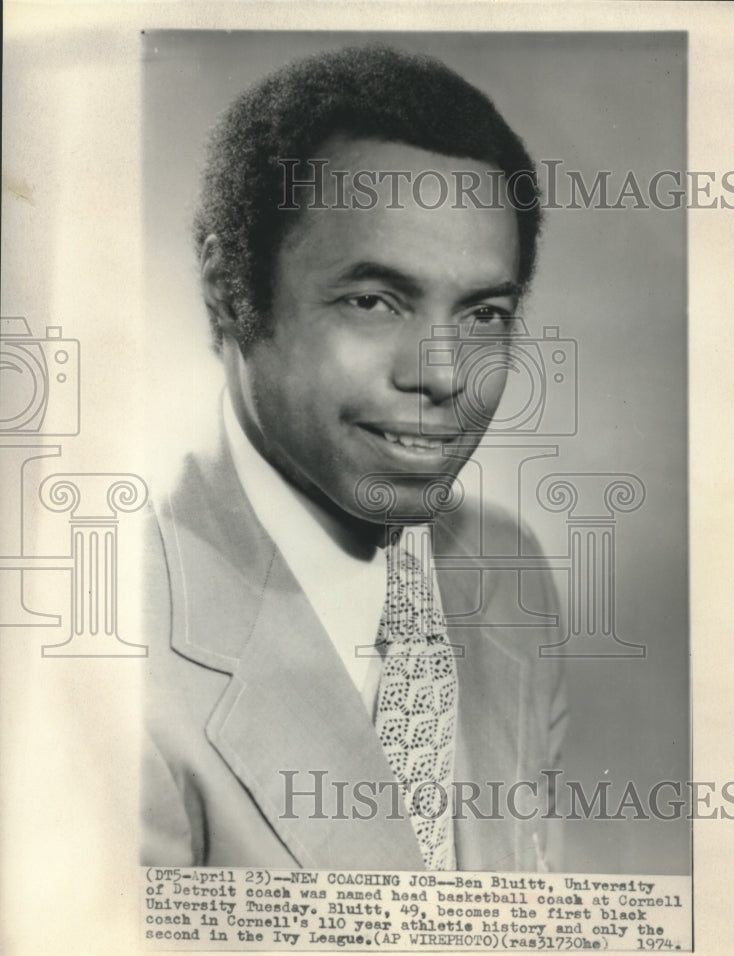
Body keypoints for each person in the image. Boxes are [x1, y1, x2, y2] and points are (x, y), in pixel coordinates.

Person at [141, 44, 567, 872]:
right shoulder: (106, 646)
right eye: (374, 301)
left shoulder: (511, 576)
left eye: (483, 315)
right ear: (230, 287)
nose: (444, 374)